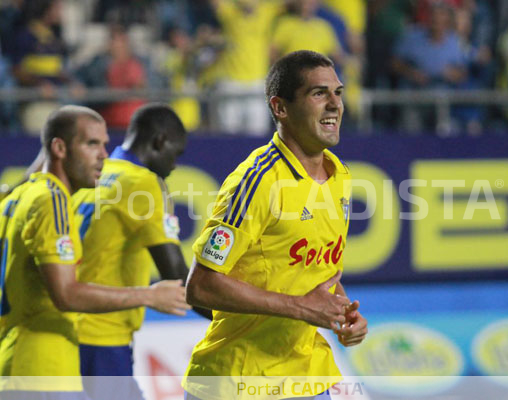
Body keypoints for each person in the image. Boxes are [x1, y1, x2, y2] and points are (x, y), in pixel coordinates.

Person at [183, 50, 368, 400]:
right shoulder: (256, 183)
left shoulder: (339, 175)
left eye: (338, 93)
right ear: (280, 108)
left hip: (309, 380)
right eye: (319, 93)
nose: (335, 104)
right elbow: (201, 286)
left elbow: (318, 271)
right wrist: (300, 307)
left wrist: (342, 312)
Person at [0, 105, 189, 400]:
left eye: (103, 144)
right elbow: (67, 294)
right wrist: (150, 295)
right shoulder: (54, 201)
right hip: (57, 359)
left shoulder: (19, 197)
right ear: (60, 148)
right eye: (92, 144)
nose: (103, 153)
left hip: (22, 355)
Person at [72, 103, 211, 400]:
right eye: (176, 153)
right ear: (160, 141)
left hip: (65, 330)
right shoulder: (144, 184)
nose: (175, 165)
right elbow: (177, 278)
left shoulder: (91, 172)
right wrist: (242, 318)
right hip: (103, 336)